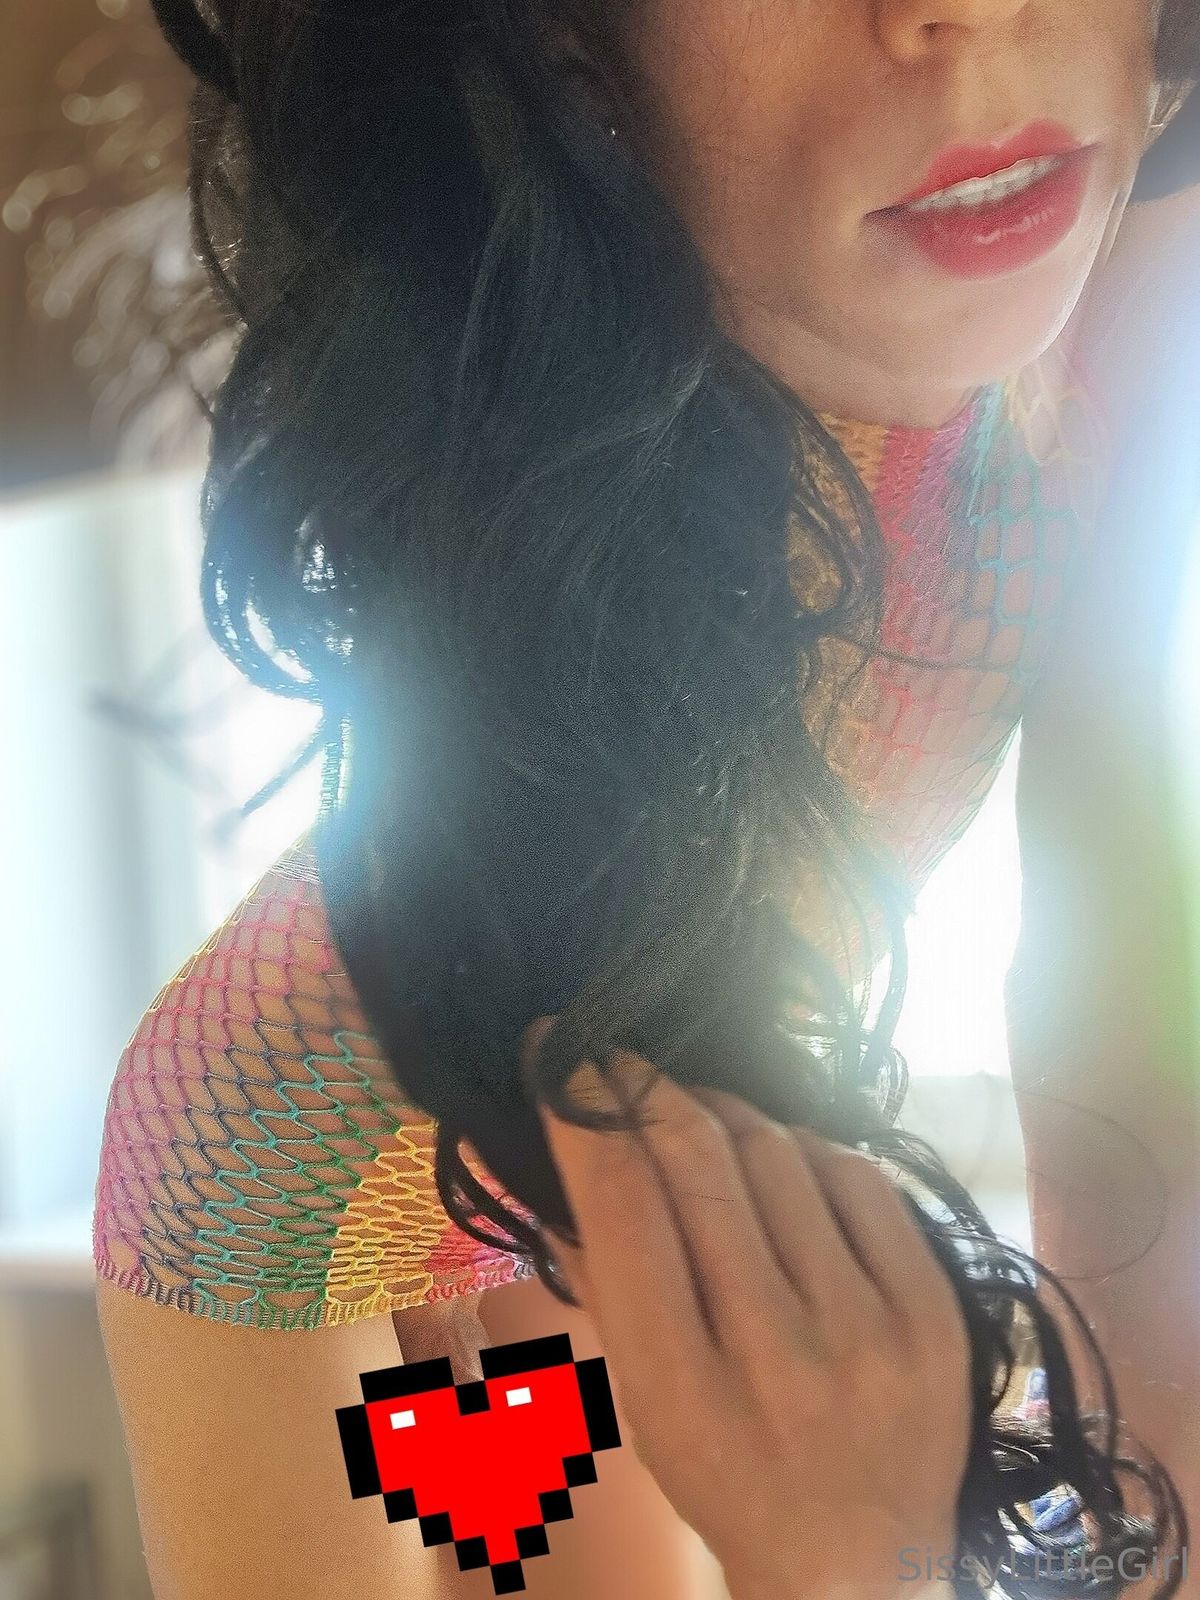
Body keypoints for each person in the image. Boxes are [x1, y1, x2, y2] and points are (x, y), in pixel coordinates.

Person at [94, 0, 1198, 1596]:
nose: (967, 11)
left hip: (631, 1110)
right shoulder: (282, 1149)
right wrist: (845, 1563)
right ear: (558, 47)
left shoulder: (1102, 205)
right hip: (339, 1234)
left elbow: (1129, 1040)